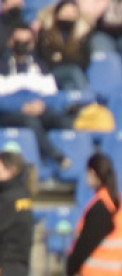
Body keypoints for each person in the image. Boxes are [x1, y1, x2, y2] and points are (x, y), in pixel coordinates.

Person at [0, 23, 73, 169]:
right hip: (9, 114)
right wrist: (22, 106)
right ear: (10, 42)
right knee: (30, 121)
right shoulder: (2, 66)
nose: (22, 46)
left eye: (26, 42)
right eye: (18, 42)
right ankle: (54, 155)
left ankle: (75, 163)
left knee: (63, 121)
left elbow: (56, 96)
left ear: (32, 44)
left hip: (39, 108)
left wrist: (41, 104)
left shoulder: (40, 66)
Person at [36, 0, 92, 90]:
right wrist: (68, 59)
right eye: (66, 11)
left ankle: (77, 100)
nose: (69, 15)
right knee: (74, 71)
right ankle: (88, 98)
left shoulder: (82, 36)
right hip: (51, 74)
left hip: (72, 76)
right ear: (58, 13)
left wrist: (61, 57)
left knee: (69, 86)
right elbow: (46, 58)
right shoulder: (46, 34)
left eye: (72, 12)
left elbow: (84, 61)